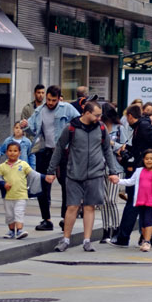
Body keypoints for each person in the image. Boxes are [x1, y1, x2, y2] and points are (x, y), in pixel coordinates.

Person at [46, 98, 118, 254]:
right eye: (97, 115)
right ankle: (65, 239)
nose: (99, 118)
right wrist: (51, 171)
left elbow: (107, 151)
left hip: (95, 174)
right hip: (74, 174)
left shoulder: (101, 128)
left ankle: (87, 241)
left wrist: (113, 171)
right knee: (72, 206)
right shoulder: (71, 128)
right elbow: (59, 148)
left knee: (89, 207)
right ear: (86, 113)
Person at [112, 104, 152, 247]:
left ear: (130, 116)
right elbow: (141, 147)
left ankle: (124, 238)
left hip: (143, 171)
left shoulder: (142, 127)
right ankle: (151, 239)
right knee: (142, 205)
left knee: (134, 204)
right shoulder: (140, 127)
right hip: (141, 169)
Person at [26, 85, 76, 231]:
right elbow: (32, 129)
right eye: (48, 99)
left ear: (59, 99)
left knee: (66, 184)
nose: (50, 103)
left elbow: (79, 121)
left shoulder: (67, 108)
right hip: (46, 150)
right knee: (43, 184)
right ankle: (46, 219)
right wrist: (25, 126)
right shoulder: (40, 110)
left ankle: (64, 218)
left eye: (53, 100)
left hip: (63, 151)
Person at [117, 148, 152, 252]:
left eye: (151, 159)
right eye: (147, 158)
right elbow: (131, 181)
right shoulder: (139, 171)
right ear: (143, 160)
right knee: (143, 222)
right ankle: (145, 239)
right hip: (140, 201)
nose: (149, 161)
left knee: (148, 220)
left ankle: (148, 242)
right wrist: (118, 181)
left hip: (151, 202)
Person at [0, 140, 32, 240]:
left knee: (19, 212)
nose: (12, 153)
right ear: (7, 152)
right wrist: (3, 184)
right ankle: (11, 231)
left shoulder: (24, 165)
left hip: (21, 194)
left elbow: (32, 175)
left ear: (19, 153)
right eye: (10, 150)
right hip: (7, 195)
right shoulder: (2, 166)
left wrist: (45, 177)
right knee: (9, 215)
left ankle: (20, 230)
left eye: (15, 151)